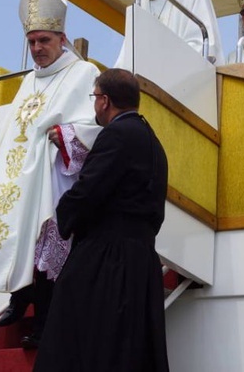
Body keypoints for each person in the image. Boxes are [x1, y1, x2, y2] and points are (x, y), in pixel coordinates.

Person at [0, 0, 101, 348]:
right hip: (19, 174)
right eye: (32, 42)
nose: (37, 50)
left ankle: (45, 323)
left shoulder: (84, 73)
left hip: (54, 174)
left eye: (44, 42)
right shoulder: (30, 80)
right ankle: (20, 296)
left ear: (62, 38)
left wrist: (64, 136)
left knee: (46, 243)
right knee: (10, 226)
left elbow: (94, 125)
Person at [34, 68, 169, 372]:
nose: (94, 104)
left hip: (108, 259)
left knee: (80, 341)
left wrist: (64, 212)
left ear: (105, 101)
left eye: (94, 97)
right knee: (129, 349)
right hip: (141, 259)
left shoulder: (117, 135)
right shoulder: (153, 141)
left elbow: (87, 193)